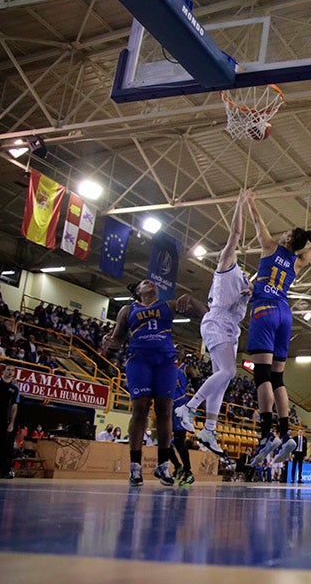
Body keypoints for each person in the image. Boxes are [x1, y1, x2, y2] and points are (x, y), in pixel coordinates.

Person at [244, 193, 311, 467]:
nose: (280, 234)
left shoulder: (269, 247)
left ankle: (266, 435)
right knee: (278, 379)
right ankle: (287, 432)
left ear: (287, 240)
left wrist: (249, 201)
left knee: (262, 376)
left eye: (286, 233)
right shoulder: (297, 262)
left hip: (265, 311)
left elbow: (256, 220)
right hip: (285, 314)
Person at [100, 279, 204, 486]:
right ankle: (135, 467)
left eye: (152, 282)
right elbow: (117, 341)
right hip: (140, 359)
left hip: (165, 360)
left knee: (165, 410)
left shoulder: (168, 305)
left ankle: (163, 465)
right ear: (138, 291)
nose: (150, 282)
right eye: (144, 282)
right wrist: (108, 341)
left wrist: (191, 298)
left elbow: (205, 313)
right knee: (140, 410)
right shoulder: (128, 310)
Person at [174, 189, 252, 459]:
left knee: (222, 380)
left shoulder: (242, 278)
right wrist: (240, 205)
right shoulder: (224, 264)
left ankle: (209, 428)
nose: (230, 251)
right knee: (229, 372)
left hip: (231, 327)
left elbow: (243, 303)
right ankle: (189, 407)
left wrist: (248, 295)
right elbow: (235, 235)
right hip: (216, 320)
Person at [170, 361, 196, 486]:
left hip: (181, 406)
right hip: (166, 404)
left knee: (179, 441)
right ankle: (177, 466)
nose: (177, 350)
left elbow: (197, 383)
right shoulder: (165, 365)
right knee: (163, 440)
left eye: (180, 349)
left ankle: (188, 472)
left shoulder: (187, 367)